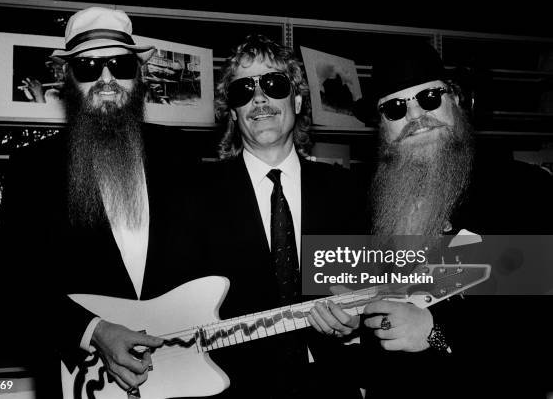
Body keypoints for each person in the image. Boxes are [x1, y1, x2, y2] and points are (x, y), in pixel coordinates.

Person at [309, 41, 553, 398]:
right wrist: (345, 331)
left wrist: (435, 331)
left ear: (454, 100)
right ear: (382, 127)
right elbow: (366, 355)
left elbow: (540, 338)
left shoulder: (523, 191)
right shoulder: (361, 208)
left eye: (429, 97)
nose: (414, 117)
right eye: (394, 108)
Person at [0, 7, 198, 397]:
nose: (107, 80)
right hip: (82, 380)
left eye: (120, 65)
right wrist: (94, 331)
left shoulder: (180, 153)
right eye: (89, 67)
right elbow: (13, 289)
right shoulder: (32, 168)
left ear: (138, 75)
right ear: (68, 78)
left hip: (181, 371)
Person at [192, 34, 367, 398]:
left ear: (298, 99)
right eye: (243, 90)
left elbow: (362, 291)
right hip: (234, 389)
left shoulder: (346, 192)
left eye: (273, 84)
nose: (259, 98)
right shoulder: (196, 197)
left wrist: (355, 320)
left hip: (332, 386)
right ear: (232, 111)